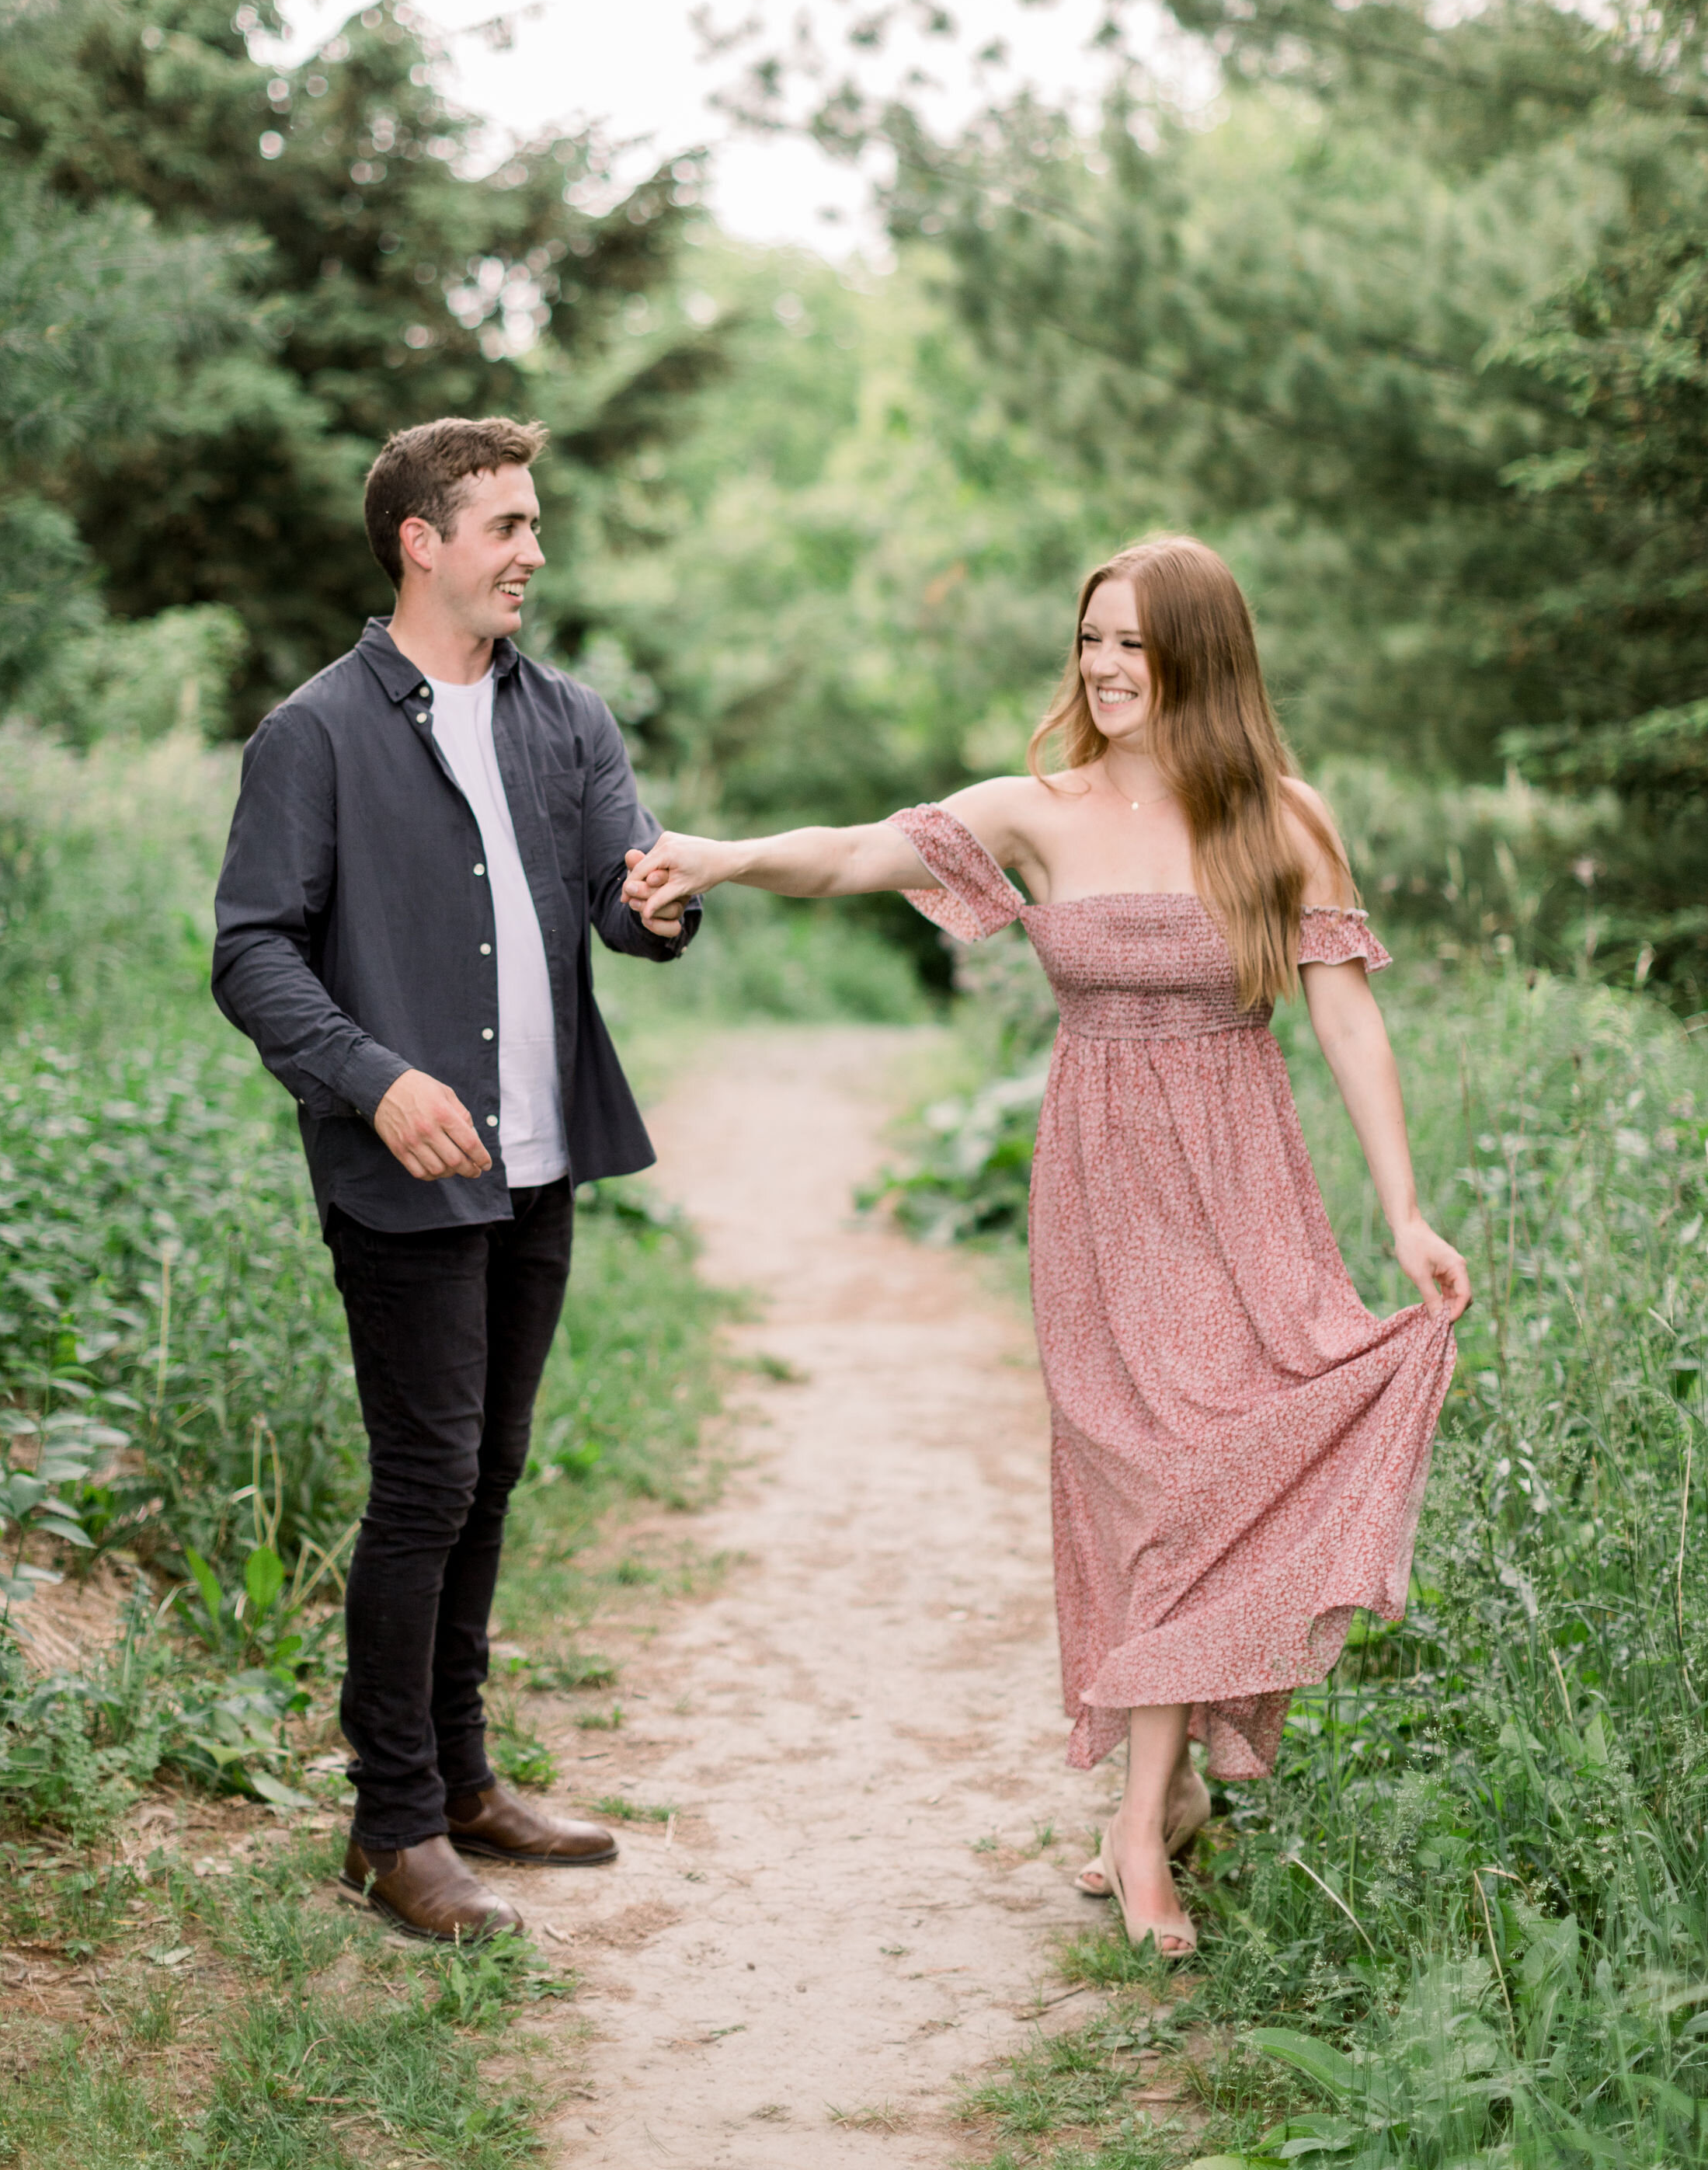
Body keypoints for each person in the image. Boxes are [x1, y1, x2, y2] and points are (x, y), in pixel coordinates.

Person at [624, 532, 1468, 1958]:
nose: (1105, 666)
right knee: (1145, 1485)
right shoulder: (1038, 810)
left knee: (1219, 1463)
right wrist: (726, 854)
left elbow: (1344, 1016)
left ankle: (1153, 1802)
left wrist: (1402, 1209)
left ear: (1201, 654)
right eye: (1092, 639)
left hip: (1241, 1175)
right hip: (1098, 1183)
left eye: (1136, 642)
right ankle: (1152, 1812)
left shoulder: (1283, 818)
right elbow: (850, 856)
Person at [213, 415, 700, 1944]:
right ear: (422, 540)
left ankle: (469, 1782)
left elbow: (628, 916)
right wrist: (377, 1077)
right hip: (402, 1174)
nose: (532, 552)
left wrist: (665, 904)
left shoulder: (572, 722)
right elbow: (250, 952)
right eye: (506, 525)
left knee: (488, 1471)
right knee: (426, 1482)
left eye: (533, 524)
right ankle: (392, 1824)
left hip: (540, 1160)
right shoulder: (316, 734)